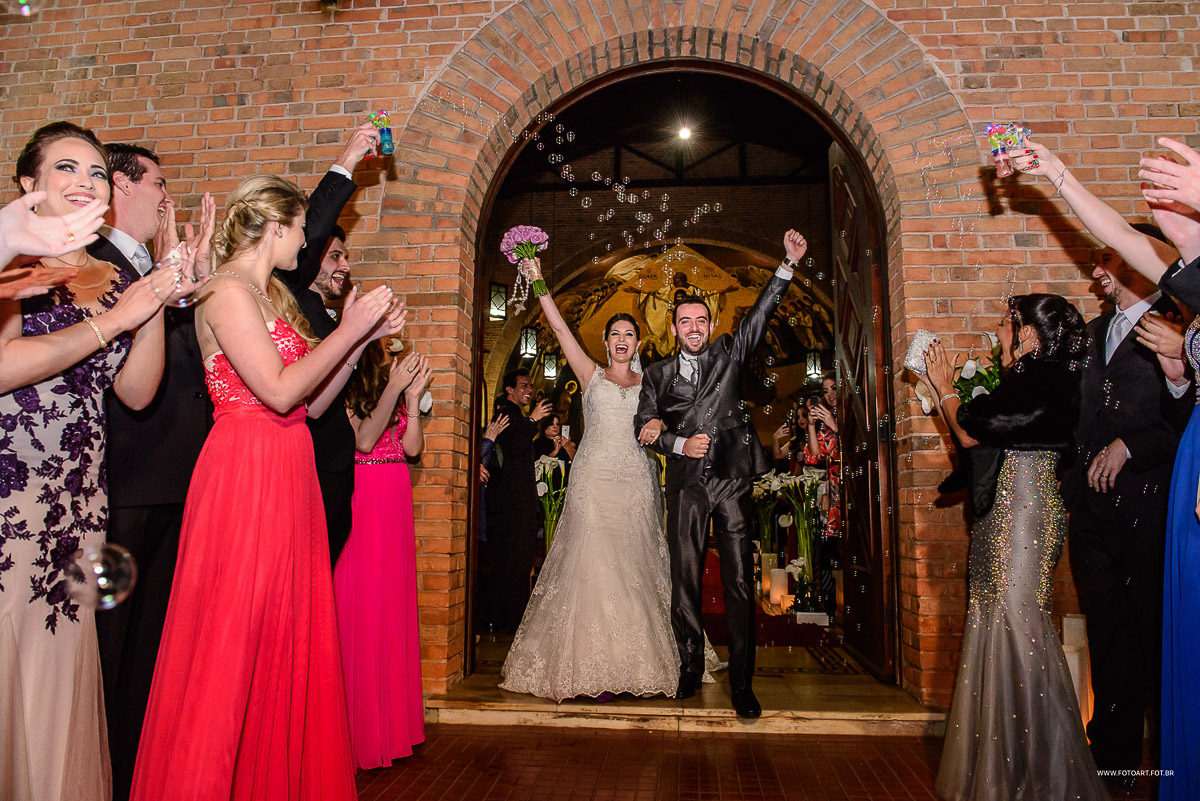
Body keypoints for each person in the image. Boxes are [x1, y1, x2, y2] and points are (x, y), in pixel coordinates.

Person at [130, 175, 404, 801]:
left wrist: (357, 339)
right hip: (245, 467)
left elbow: (306, 403)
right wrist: (344, 329)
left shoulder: (270, 293)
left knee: (284, 632)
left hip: (289, 462)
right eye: (303, 225)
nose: (308, 238)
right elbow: (275, 391)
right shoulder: (225, 291)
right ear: (277, 225)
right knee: (234, 631)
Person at [0, 121, 198, 801]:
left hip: (79, 501)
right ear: (28, 185)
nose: (84, 183)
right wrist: (113, 322)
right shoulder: (9, 265)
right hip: (10, 501)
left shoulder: (109, 277)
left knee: (60, 672)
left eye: (93, 172)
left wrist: (153, 301)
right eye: (66, 168)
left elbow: (137, 392)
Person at [1013, 140, 1194, 794]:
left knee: (1155, 635)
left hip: (1150, 506)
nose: (1097, 270)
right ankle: (1112, 764)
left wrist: (1131, 446)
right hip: (1094, 517)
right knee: (1109, 637)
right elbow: (1077, 416)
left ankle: (1170, 759)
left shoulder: (1179, 324)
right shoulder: (1092, 334)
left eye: (1107, 258)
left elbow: (1182, 420)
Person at [920, 294, 1110, 801]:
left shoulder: (1049, 380)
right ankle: (1003, 765)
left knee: (1019, 621)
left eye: (1009, 323)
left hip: (1025, 509)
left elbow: (972, 430)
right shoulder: (1028, 379)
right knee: (992, 614)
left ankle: (1046, 770)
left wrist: (944, 387)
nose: (1000, 330)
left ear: (1029, 334)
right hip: (1003, 510)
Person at [634, 228, 809, 719]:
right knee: (684, 578)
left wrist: (786, 265)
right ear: (674, 329)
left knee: (738, 583)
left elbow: (759, 316)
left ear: (709, 325)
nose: (693, 326)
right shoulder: (657, 375)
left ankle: (743, 683)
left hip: (731, 480)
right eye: (684, 321)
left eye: (700, 319)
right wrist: (676, 441)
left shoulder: (729, 354)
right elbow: (641, 426)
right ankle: (689, 667)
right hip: (685, 486)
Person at [89, 142, 218, 801]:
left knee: (150, 640)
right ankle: (104, 768)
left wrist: (186, 282)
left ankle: (138, 765)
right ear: (123, 184)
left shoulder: (153, 264)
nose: (167, 197)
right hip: (130, 475)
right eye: (159, 184)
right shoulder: (99, 263)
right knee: (113, 640)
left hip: (173, 474)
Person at [499, 256, 680, 701]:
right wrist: (540, 280)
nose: (622, 340)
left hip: (636, 483)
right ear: (605, 340)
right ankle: (585, 664)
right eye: (615, 334)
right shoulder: (590, 374)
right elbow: (560, 329)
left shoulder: (652, 382)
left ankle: (634, 663)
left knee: (634, 565)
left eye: (629, 334)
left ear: (639, 342)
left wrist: (659, 428)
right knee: (593, 565)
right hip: (593, 480)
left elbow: (668, 423)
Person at [1120, 135, 1200, 801]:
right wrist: (1054, 171)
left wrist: (1179, 361)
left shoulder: (1179, 306)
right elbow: (1119, 233)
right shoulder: (1187, 289)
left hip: (1163, 479)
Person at [275, 124, 381, 567]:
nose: (344, 264)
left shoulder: (329, 314)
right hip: (307, 468)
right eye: (334, 255)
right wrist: (350, 156)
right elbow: (315, 227)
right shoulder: (292, 299)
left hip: (335, 471)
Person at [335, 340, 432, 768]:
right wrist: (395, 388)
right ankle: (360, 731)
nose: (395, 362)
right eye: (389, 356)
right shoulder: (348, 393)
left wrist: (411, 399)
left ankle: (394, 728)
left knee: (393, 609)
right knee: (364, 607)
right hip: (365, 494)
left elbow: (412, 449)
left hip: (395, 495)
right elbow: (365, 441)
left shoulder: (395, 395)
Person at [483, 368, 551, 633]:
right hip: (511, 505)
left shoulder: (515, 416)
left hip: (516, 504)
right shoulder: (506, 414)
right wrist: (533, 420)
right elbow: (516, 445)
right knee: (512, 563)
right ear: (510, 389)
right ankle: (509, 620)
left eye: (530, 386)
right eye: (523, 385)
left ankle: (508, 617)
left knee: (516, 563)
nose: (529, 390)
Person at [0, 190, 107, 298]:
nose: (86, 182)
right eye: (67, 171)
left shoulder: (116, 268)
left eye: (98, 175)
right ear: (29, 183)